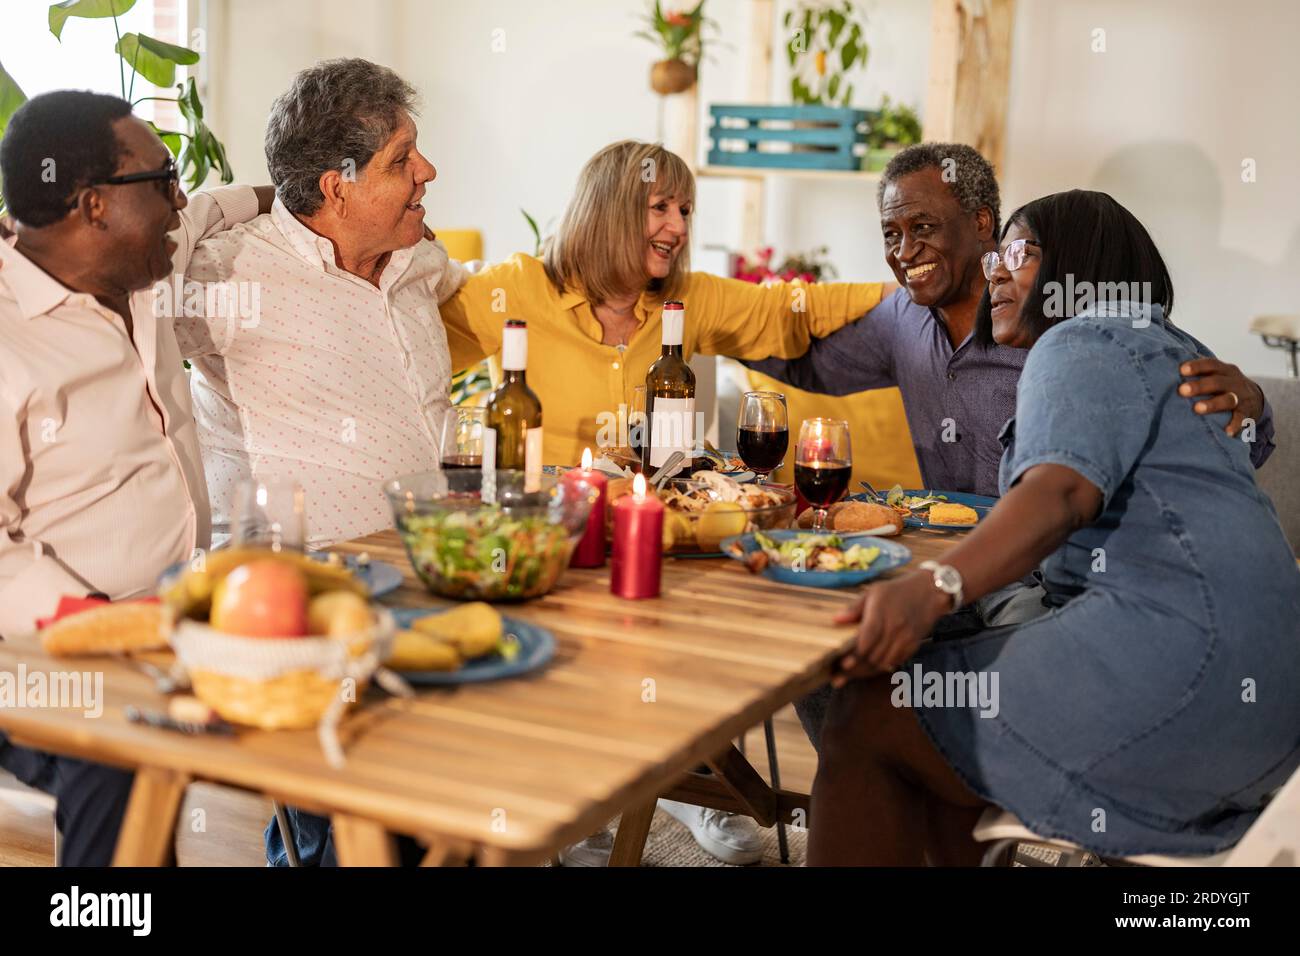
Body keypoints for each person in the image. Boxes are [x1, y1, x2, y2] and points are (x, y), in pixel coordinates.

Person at [810, 190, 1300, 865]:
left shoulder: (1083, 338)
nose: (996, 272)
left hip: (1182, 670)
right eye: (996, 257)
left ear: (1082, 264)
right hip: (1273, 715)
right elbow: (1223, 459)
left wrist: (934, 586)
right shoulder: (1173, 348)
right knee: (936, 729)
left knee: (867, 714)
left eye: (1019, 252)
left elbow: (1062, 491)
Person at [742, 143, 1277, 751]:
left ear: (981, 225)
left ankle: (942, 776)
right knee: (826, 652)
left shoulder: (1083, 336)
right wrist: (688, 320)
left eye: (922, 228)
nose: (904, 251)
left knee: (897, 698)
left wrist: (1255, 400)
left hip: (1044, 585)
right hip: (950, 565)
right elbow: (806, 364)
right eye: (891, 233)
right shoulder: (902, 321)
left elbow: (1208, 432)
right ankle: (911, 782)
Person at [0, 90, 271, 864]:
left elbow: (211, 209)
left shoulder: (138, 264)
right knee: (117, 749)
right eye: (164, 180)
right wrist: (103, 631)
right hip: (34, 643)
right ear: (94, 204)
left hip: (165, 620)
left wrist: (291, 193)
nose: (180, 200)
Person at [439, 139, 896, 470]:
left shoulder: (689, 298)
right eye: (661, 207)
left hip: (653, 520)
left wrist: (904, 293)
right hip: (540, 522)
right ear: (608, 213)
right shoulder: (515, 288)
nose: (678, 228)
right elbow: (416, 351)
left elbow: (789, 306)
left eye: (685, 211)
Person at [175, 58, 467, 549]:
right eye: (401, 160)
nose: (427, 170)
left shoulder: (419, 257)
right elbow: (119, 312)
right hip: (294, 574)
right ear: (337, 188)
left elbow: (483, 288)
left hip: (436, 556)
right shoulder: (228, 271)